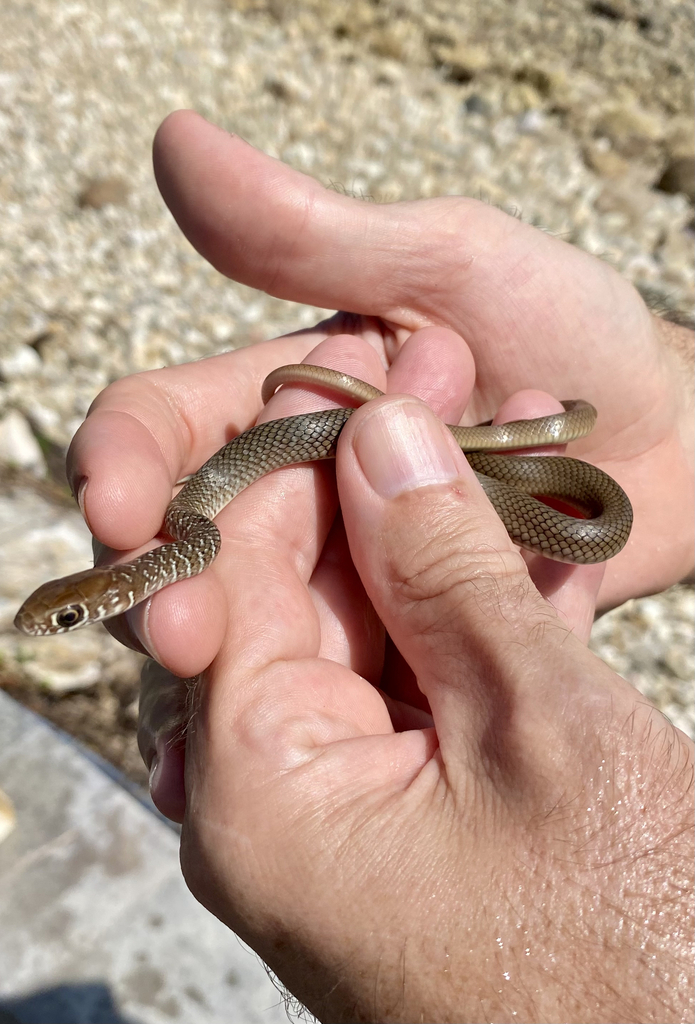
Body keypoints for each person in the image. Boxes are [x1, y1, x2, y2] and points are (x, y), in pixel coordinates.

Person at [68, 112, 694, 1023]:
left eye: (67, 618)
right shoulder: (188, 530)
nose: (71, 624)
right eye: (67, 618)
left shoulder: (191, 527)